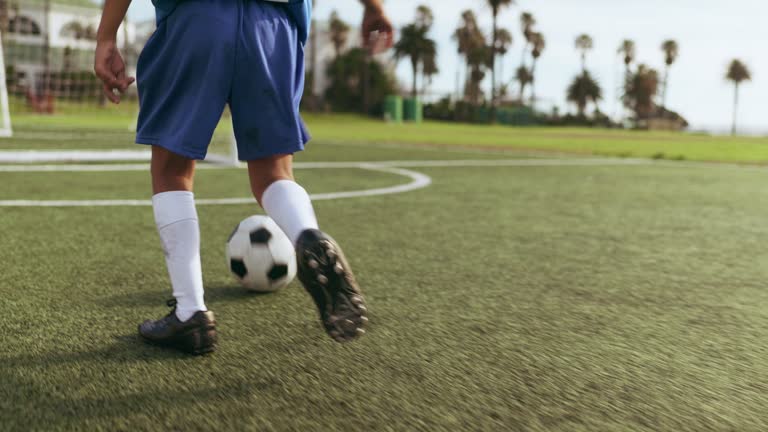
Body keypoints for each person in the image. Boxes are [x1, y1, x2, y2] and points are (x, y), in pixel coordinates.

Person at [94, 0, 394, 354]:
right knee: (273, 173)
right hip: (274, 26)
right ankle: (308, 235)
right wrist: (374, 7)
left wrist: (106, 36)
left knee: (171, 169)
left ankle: (191, 314)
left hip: (195, 20)